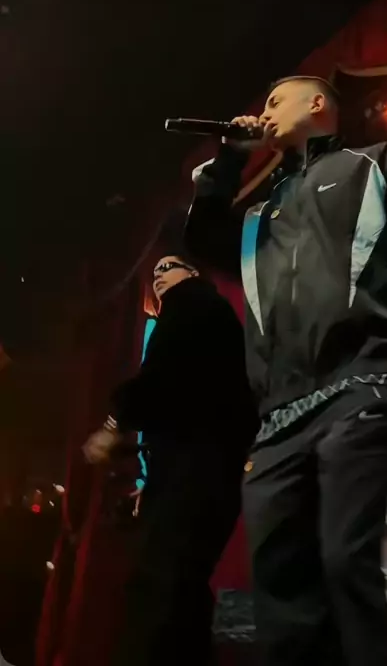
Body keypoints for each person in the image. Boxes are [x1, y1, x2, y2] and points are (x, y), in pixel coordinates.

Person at [184, 75, 387, 666]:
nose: (266, 111)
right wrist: (229, 159)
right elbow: (202, 237)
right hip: (278, 419)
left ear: (318, 103)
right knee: (282, 584)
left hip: (362, 385)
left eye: (277, 100)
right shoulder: (259, 215)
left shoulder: (377, 163)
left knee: (360, 558)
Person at [83, 252, 258, 666]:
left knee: (162, 591)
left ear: (192, 273)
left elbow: (160, 376)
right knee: (179, 589)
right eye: (155, 270)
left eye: (169, 266)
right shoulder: (210, 315)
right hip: (205, 475)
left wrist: (114, 423)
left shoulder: (191, 303)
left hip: (196, 474)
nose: (159, 275)